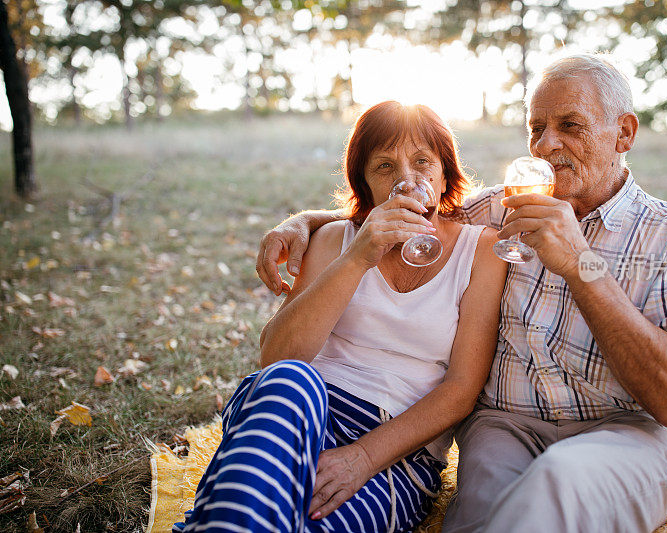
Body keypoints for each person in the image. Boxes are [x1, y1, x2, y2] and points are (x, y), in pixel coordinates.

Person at [257, 54, 667, 533]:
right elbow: (405, 203)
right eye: (536, 127)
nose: (546, 144)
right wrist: (305, 223)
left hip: (628, 431)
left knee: (558, 485)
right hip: (508, 426)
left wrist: (582, 265)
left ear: (623, 133)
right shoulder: (498, 208)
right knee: (474, 520)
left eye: (570, 125)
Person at [176, 101, 506, 533]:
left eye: (423, 161)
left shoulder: (481, 251)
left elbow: (462, 389)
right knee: (291, 380)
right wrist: (357, 259)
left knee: (272, 517)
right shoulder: (334, 239)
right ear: (365, 186)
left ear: (445, 173)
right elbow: (277, 359)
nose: (407, 179)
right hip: (299, 410)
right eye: (385, 167)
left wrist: (364, 457)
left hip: (395, 452)